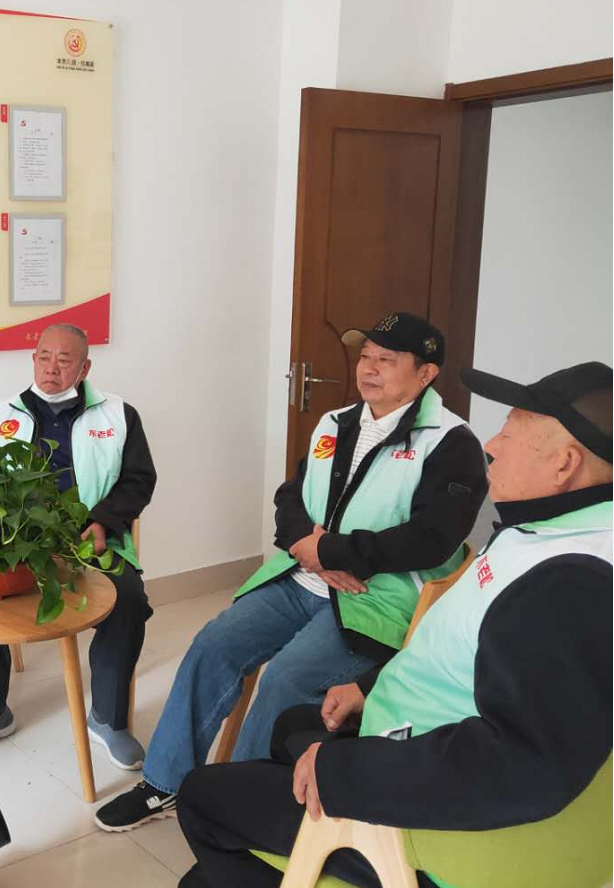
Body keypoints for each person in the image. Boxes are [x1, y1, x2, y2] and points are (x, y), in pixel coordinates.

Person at [175, 361, 612, 888]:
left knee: (203, 797)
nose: (492, 445)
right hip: (416, 724)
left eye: (511, 434)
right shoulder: (548, 531)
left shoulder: (571, 581)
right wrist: (368, 687)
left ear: (565, 464)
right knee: (291, 725)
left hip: (429, 831)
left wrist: (345, 774)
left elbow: (523, 765)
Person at [97, 312, 488, 832]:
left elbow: (434, 538)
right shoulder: (336, 422)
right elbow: (291, 496)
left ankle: (239, 810)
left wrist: (334, 553)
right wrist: (308, 547)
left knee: (286, 678)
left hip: (375, 598)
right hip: (300, 577)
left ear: (426, 373)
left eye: (386, 360)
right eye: (365, 356)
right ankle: (164, 782)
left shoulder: (452, 443)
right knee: (212, 644)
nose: (368, 369)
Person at [0, 323, 157, 769]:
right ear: (33, 359)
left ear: (84, 368)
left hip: (91, 539)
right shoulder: (5, 413)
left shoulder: (119, 415)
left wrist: (104, 521)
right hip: (21, 542)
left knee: (128, 599)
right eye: (43, 357)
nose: (51, 369)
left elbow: (139, 480)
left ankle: (108, 719)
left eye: (64, 360)